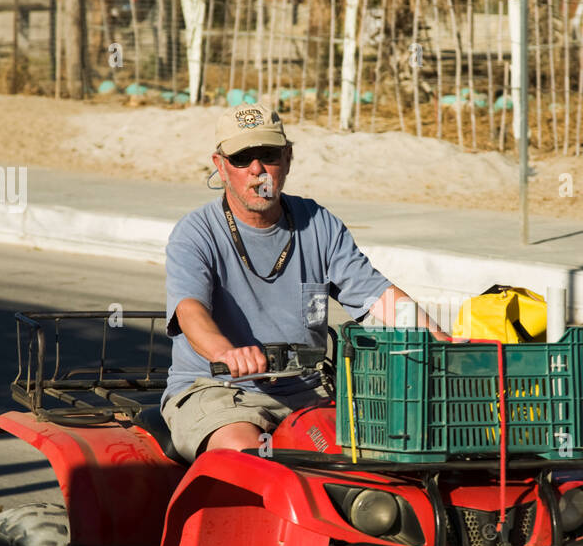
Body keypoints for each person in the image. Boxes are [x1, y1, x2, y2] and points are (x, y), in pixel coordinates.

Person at [162, 102, 447, 460]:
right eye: (241, 158)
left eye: (268, 155)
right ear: (220, 166)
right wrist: (226, 353)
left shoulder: (318, 223)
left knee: (381, 451)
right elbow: (190, 311)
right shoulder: (196, 232)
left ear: (287, 158)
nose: (256, 170)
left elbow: (379, 297)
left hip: (308, 391)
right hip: (219, 390)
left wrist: (442, 342)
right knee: (245, 452)